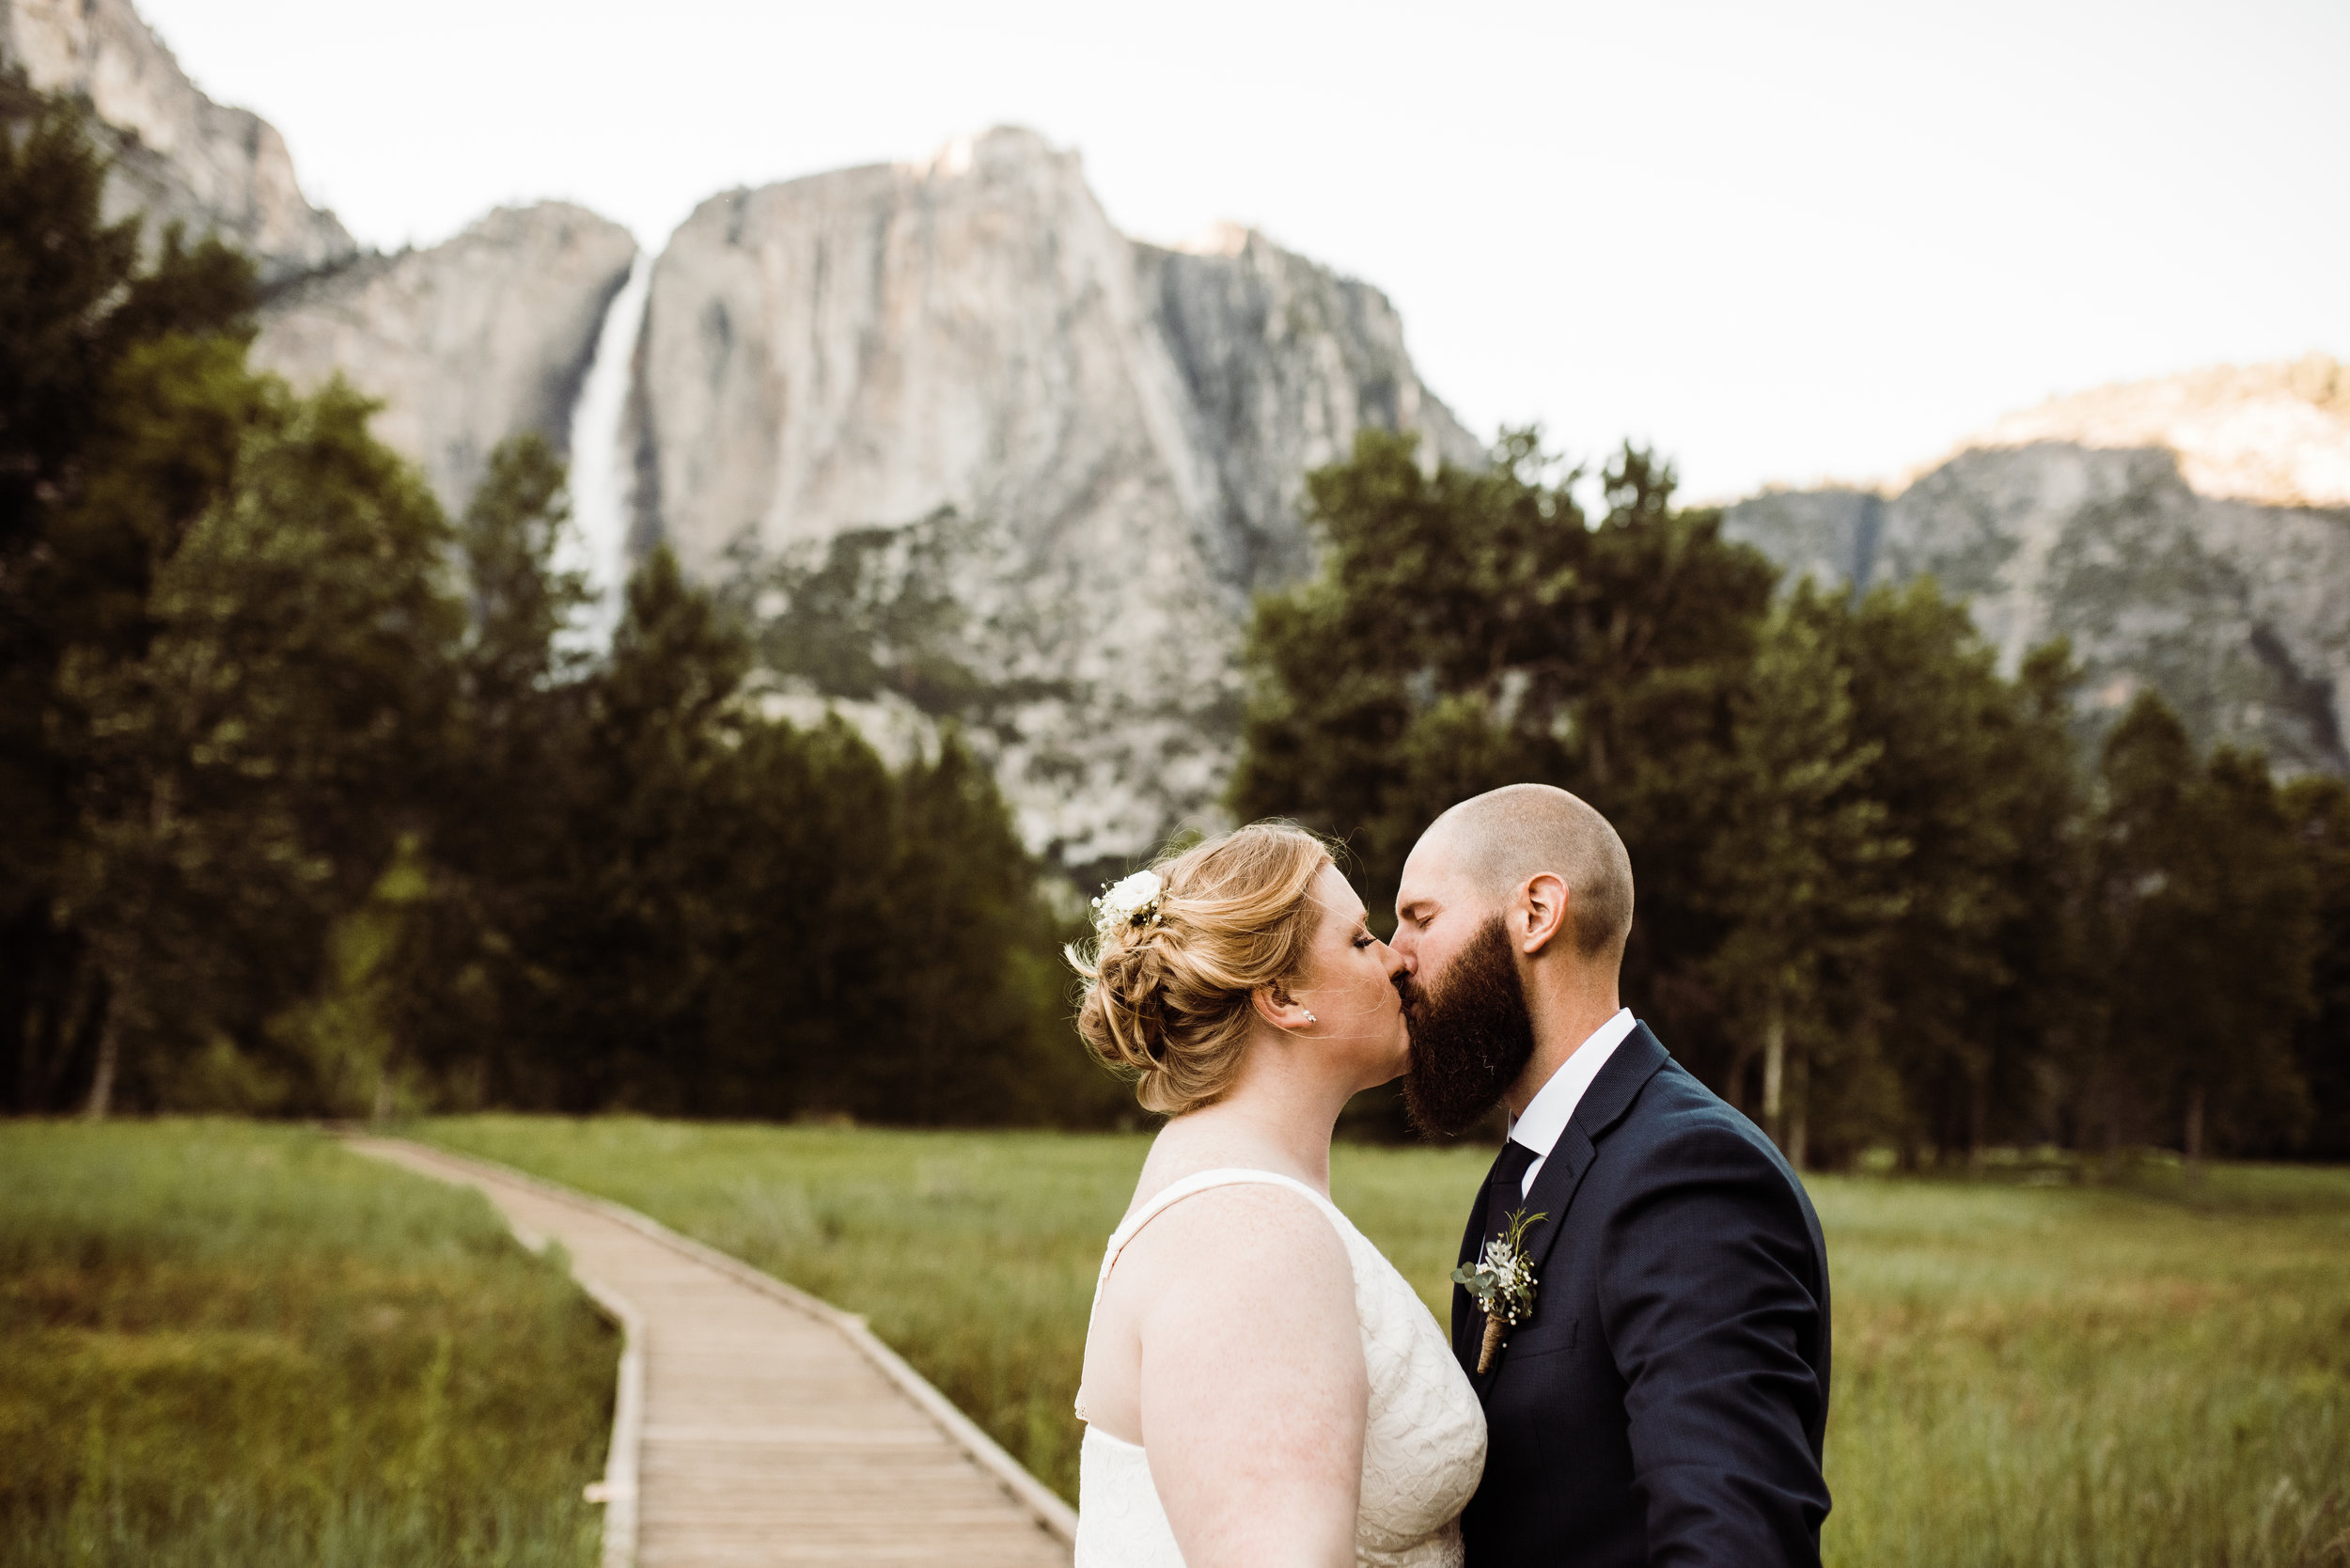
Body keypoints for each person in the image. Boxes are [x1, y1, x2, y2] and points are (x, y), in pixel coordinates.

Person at [1389, 783, 1832, 1568]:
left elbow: (1733, 1545)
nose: (1394, 958)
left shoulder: (1692, 1177)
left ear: (1536, 913)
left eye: (1420, 918)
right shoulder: (1522, 1173)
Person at [1070, 823, 1487, 1568]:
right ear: (1281, 996)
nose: (1397, 961)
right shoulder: (1247, 1238)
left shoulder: (1228, 1186)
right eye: (1361, 940)